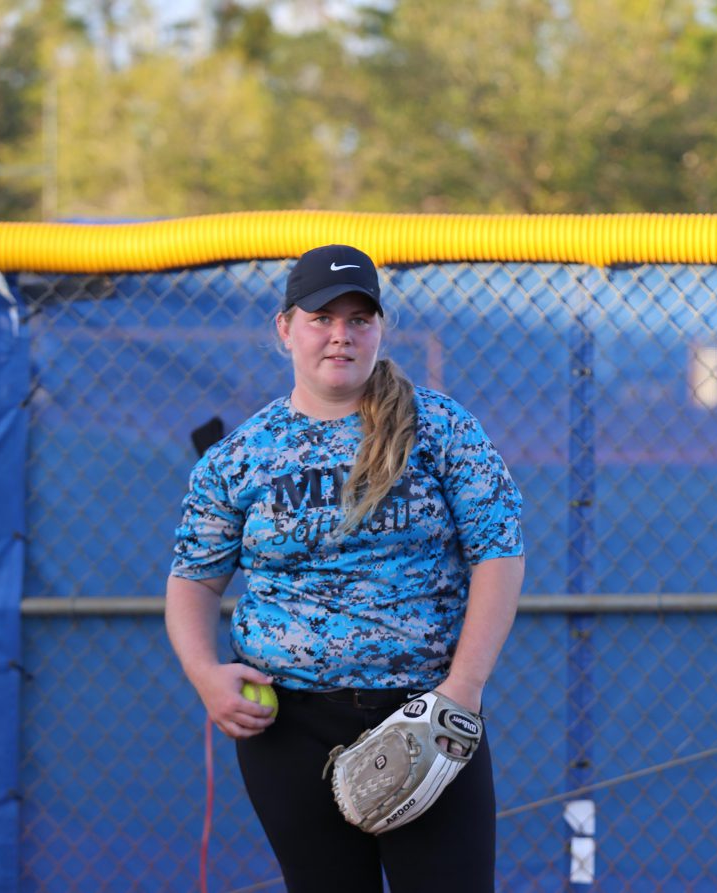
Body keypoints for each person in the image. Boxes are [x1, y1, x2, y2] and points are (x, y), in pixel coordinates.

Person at [164, 244, 525, 893]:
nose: (341, 334)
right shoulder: (240, 455)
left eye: (359, 318)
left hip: (427, 714)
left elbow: (499, 551)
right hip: (289, 725)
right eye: (321, 316)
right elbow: (193, 578)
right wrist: (205, 674)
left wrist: (464, 689)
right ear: (285, 328)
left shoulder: (438, 426)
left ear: (379, 328)